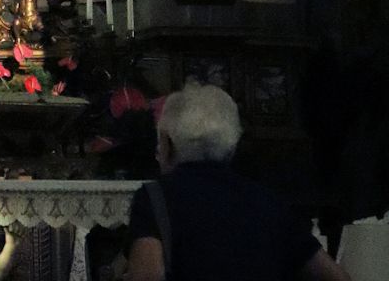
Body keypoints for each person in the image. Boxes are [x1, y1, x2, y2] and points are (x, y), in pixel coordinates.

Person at [126, 82, 351, 281]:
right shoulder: (270, 202)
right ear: (232, 144)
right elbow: (334, 276)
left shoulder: (155, 198)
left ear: (168, 143)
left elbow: (148, 275)